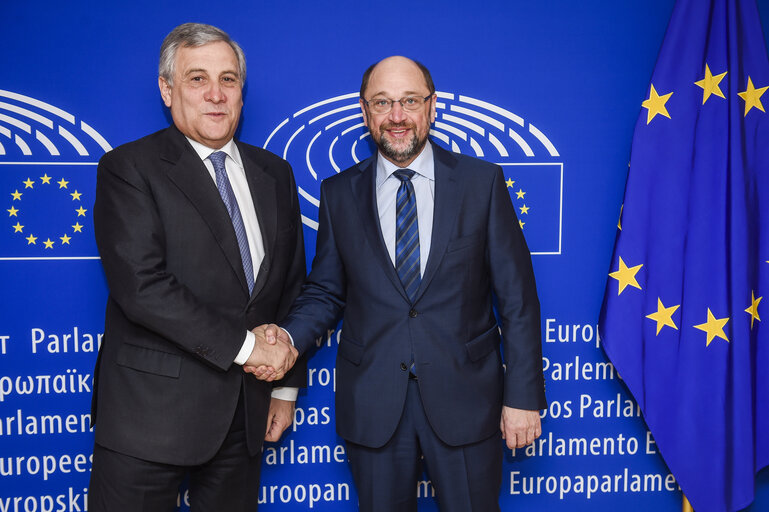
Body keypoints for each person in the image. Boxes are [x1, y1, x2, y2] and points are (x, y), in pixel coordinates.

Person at [251, 56, 547, 511]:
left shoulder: (481, 183)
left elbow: (518, 300)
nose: (397, 116)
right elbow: (326, 291)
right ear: (365, 112)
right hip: (373, 405)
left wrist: (524, 397)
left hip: (466, 401)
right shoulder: (338, 193)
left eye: (409, 101)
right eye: (382, 102)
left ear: (431, 106)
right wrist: (287, 338)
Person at [88, 23, 305, 511]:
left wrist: (286, 385)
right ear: (167, 90)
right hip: (149, 420)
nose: (215, 94)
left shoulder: (275, 173)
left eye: (228, 80)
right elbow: (142, 286)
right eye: (197, 79)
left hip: (244, 417)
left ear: (241, 94)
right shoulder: (129, 168)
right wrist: (251, 349)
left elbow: (290, 286)